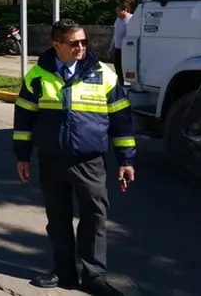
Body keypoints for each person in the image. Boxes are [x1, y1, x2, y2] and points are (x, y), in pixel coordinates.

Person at [12, 19, 135, 296]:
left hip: (89, 162)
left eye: (83, 42)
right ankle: (64, 271)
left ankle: (94, 277)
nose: (81, 47)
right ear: (56, 45)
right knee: (57, 217)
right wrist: (22, 155)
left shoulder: (103, 74)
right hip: (52, 159)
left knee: (95, 217)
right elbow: (23, 119)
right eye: (73, 43)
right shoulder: (37, 76)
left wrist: (126, 160)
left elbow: (121, 120)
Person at [109, 3, 132, 85]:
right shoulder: (118, 19)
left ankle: (128, 83)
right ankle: (120, 83)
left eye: (118, 11)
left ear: (125, 10)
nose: (117, 13)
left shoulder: (131, 20)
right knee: (117, 66)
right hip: (117, 48)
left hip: (127, 49)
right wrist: (111, 47)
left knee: (126, 67)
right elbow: (116, 34)